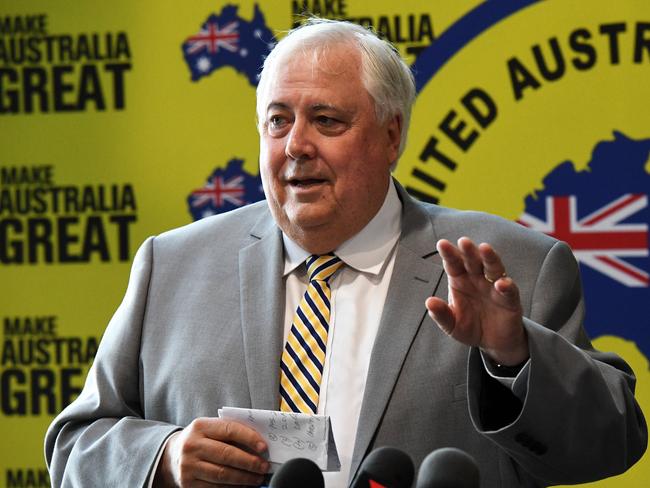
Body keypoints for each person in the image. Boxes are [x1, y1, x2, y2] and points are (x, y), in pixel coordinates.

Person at [45, 19, 647, 488]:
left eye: (326, 120)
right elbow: (73, 447)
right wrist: (165, 458)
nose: (296, 146)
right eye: (277, 121)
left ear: (391, 135)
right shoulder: (171, 268)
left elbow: (611, 443)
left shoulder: (507, 263)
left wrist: (513, 355)